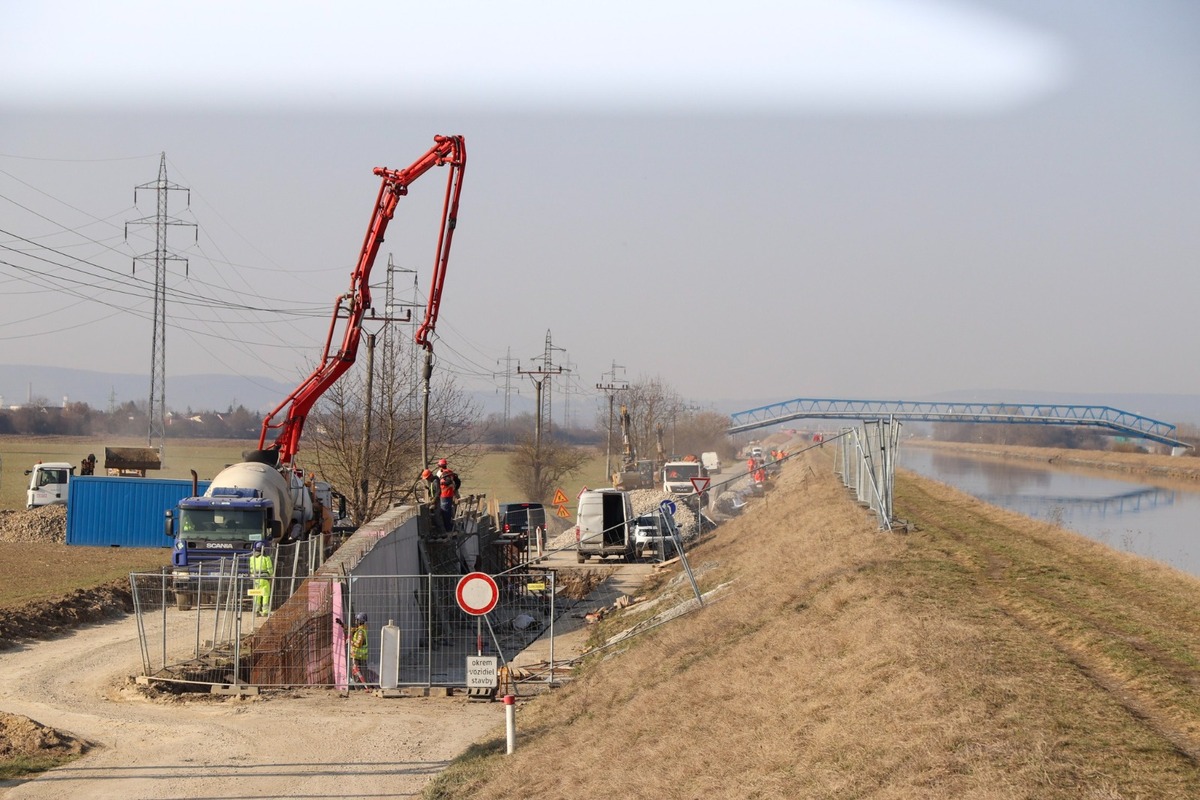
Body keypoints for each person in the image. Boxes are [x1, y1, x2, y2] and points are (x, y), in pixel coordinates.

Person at [249, 541, 274, 616]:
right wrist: (271, 575)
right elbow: (270, 569)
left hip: (256, 578)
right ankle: (265, 611)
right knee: (265, 595)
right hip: (264, 578)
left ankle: (256, 611)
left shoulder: (252, 558)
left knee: (257, 594)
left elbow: (251, 569)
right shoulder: (266, 558)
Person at [349, 613, 369, 686]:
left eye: (357, 620)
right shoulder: (362, 629)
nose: (355, 621)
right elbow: (351, 629)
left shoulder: (360, 631)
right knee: (363, 673)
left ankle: (361, 689)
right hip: (361, 656)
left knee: (357, 674)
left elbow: (358, 644)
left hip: (357, 656)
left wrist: (351, 642)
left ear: (360, 621)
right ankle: (365, 687)